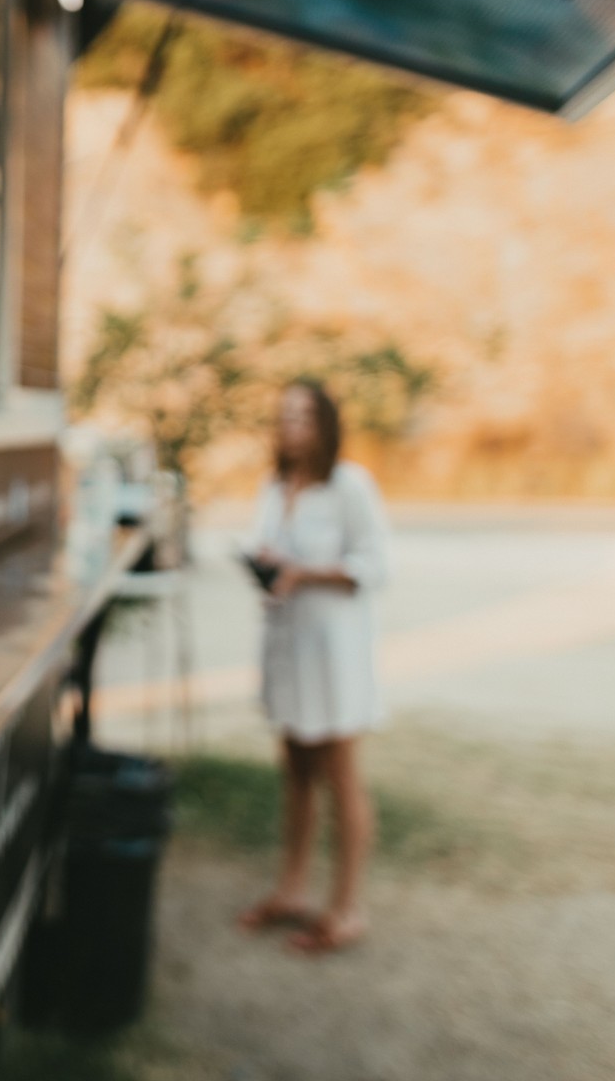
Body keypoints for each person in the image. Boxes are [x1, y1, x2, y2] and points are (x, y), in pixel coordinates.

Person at [237, 379, 391, 954]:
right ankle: (292, 890)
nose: (291, 427)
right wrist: (269, 569)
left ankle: (346, 907)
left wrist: (306, 572)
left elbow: (375, 565)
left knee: (340, 776)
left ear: (325, 423)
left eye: (303, 417)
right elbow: (269, 547)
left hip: (334, 656)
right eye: (284, 416)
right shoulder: (276, 487)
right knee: (296, 772)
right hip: (288, 646)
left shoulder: (350, 486)